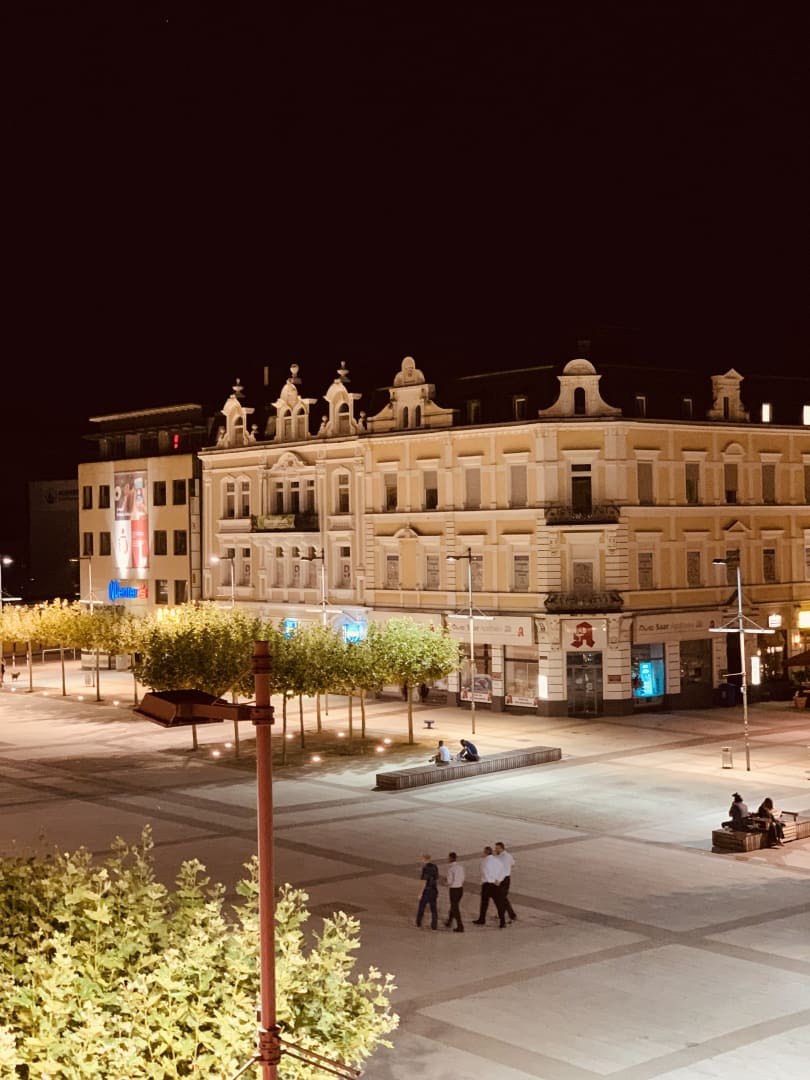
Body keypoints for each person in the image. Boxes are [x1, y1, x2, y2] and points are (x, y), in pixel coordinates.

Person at [472, 846, 506, 927]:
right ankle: (502, 921)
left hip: (487, 884)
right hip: (496, 885)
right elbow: (503, 871)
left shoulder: (484, 861)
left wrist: (491, 880)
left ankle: (482, 919)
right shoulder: (497, 860)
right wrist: (499, 880)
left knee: (484, 903)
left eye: (483, 852)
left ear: (486, 853)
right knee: (498, 903)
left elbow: (486, 873)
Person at [494, 841, 517, 922]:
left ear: (501, 848)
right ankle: (502, 913)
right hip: (507, 878)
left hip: (502, 879)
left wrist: (498, 880)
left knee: (502, 898)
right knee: (502, 897)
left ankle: (512, 914)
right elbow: (513, 864)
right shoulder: (509, 855)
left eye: (496, 848)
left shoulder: (500, 858)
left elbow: (501, 870)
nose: (495, 850)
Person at [416, 854, 439, 929]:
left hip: (426, 891)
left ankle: (418, 923)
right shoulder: (435, 867)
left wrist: (420, 893)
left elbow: (424, 882)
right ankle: (434, 925)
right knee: (434, 909)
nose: (421, 860)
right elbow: (436, 878)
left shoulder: (425, 868)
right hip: (434, 890)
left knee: (421, 907)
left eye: (422, 859)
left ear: (424, 859)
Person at [444, 852, 465, 932]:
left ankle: (460, 926)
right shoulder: (460, 867)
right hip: (460, 889)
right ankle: (449, 921)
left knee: (455, 907)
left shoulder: (451, 869)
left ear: (450, 858)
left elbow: (449, 881)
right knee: (454, 905)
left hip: (454, 890)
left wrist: (446, 883)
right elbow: (463, 878)